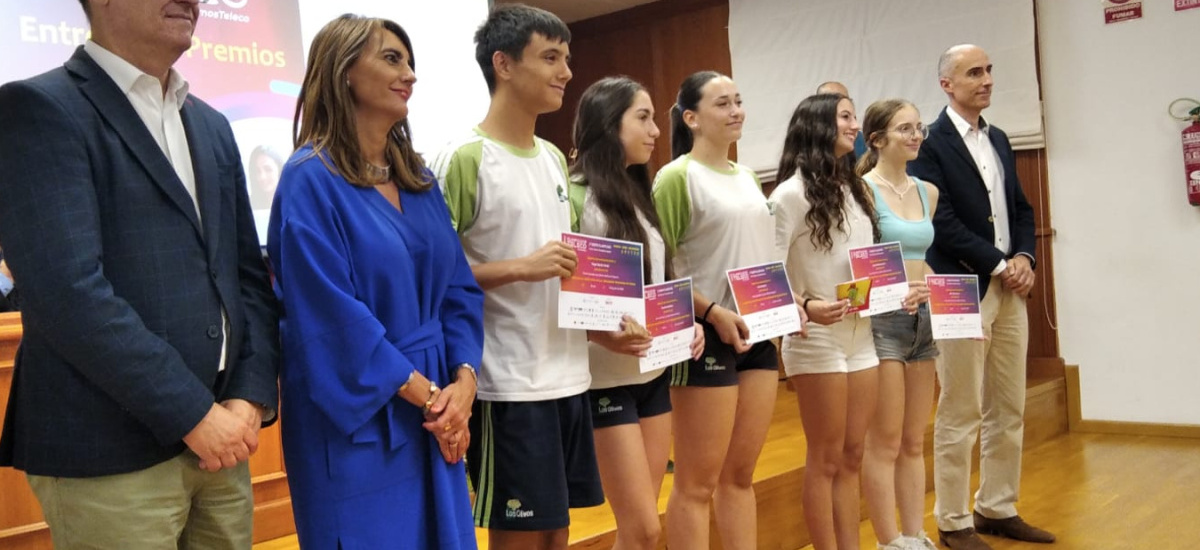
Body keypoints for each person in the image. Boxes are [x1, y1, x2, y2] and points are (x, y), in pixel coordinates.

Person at [0, 0, 280, 547]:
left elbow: (248, 276)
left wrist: (247, 396)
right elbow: (67, 292)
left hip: (224, 441)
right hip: (108, 451)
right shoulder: (38, 107)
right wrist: (194, 415)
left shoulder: (213, 125)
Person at [267, 15, 483, 549]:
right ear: (343, 72)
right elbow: (331, 319)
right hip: (359, 421)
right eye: (392, 59)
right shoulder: (308, 179)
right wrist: (433, 398)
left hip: (435, 411)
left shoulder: (419, 177)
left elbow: (458, 290)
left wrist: (464, 384)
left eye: (410, 62)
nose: (409, 74)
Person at [431, 5, 601, 550]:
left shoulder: (554, 158)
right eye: (550, 57)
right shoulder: (463, 158)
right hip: (506, 384)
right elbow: (432, 277)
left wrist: (608, 320)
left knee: (557, 533)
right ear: (503, 64)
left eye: (567, 59)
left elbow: (568, 271)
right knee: (520, 537)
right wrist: (519, 268)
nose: (566, 72)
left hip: (568, 376)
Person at [908, 44, 1053, 550]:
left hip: (1009, 286)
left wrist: (1024, 259)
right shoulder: (929, 143)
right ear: (947, 84)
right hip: (957, 286)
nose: (986, 79)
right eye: (974, 72)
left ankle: (997, 506)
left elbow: (1021, 208)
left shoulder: (1000, 138)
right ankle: (952, 520)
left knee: (1008, 405)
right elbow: (939, 220)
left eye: (989, 69)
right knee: (961, 407)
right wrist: (997, 262)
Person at [567, 76, 705, 550]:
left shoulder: (638, 193)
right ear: (609, 123)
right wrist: (601, 334)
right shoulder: (575, 195)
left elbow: (659, 284)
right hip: (604, 383)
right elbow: (562, 296)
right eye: (642, 118)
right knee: (643, 527)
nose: (654, 131)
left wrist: (684, 324)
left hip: (652, 374)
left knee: (641, 531)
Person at [652, 70, 783, 550]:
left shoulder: (748, 177)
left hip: (758, 336)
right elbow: (659, 268)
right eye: (722, 103)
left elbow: (760, 259)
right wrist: (712, 313)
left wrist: (787, 310)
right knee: (696, 484)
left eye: (738, 101)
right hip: (704, 340)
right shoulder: (676, 177)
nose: (736, 111)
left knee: (741, 475)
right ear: (692, 118)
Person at [769, 92, 881, 550]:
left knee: (854, 454)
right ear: (817, 125)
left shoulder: (855, 188)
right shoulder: (788, 195)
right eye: (845, 117)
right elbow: (766, 269)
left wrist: (894, 287)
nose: (855, 126)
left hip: (861, 333)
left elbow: (865, 261)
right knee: (826, 457)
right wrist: (805, 304)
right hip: (815, 338)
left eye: (855, 116)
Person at [856, 99, 939, 550]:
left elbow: (923, 263)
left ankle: (915, 533)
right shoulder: (861, 190)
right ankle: (889, 542)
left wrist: (952, 306)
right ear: (877, 139)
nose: (915, 136)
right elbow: (854, 263)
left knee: (913, 439)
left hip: (923, 318)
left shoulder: (928, 190)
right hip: (883, 317)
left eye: (918, 127)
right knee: (883, 440)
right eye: (904, 129)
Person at [816, 81, 868, 157]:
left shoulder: (857, 137)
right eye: (834, 99)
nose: (856, 126)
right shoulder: (806, 139)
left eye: (846, 99)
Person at [247, 144, 285, 211]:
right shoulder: (248, 205)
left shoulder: (292, 203)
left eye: (268, 169)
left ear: (280, 170)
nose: (262, 177)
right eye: (258, 171)